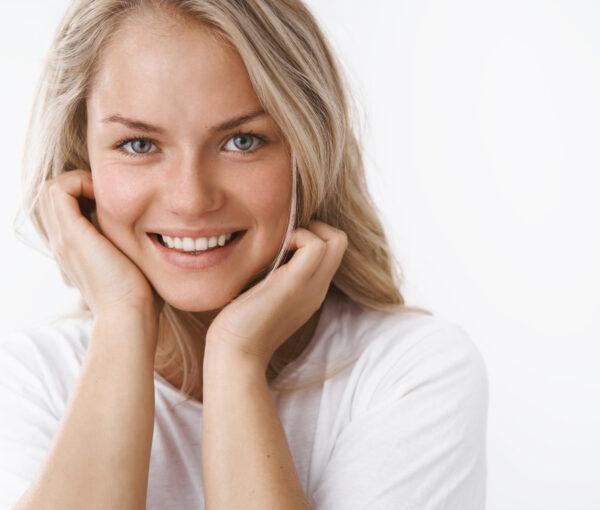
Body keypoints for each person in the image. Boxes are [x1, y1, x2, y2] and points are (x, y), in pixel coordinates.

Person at [0, 0, 488, 508]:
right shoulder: (30, 381)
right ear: (82, 161)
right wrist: (122, 322)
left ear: (308, 147)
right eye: (139, 145)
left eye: (242, 140)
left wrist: (236, 359)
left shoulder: (409, 374)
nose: (190, 199)